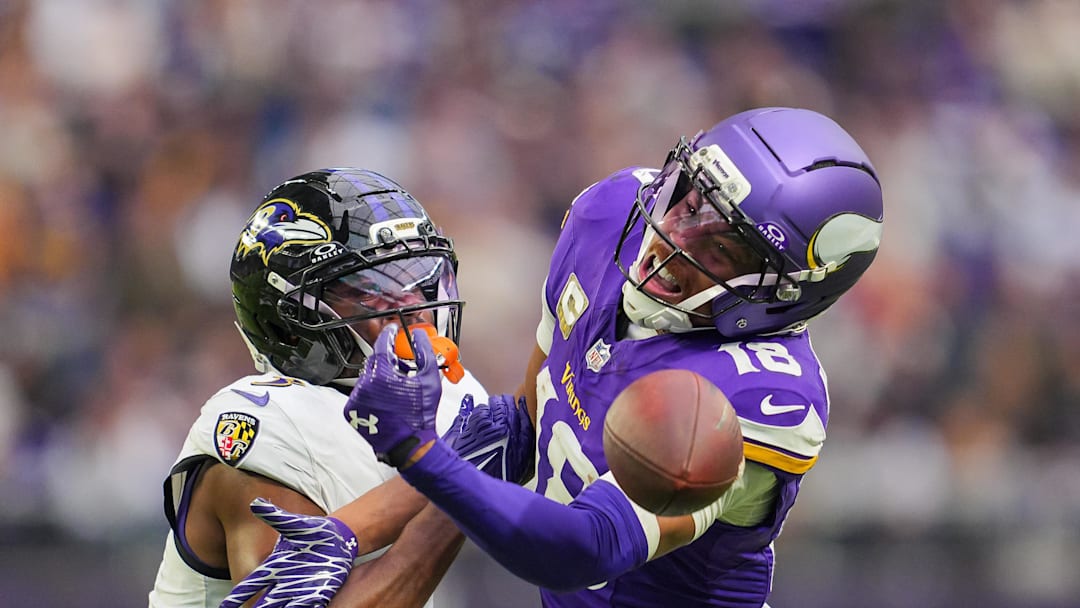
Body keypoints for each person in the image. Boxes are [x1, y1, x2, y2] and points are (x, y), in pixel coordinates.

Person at [232, 106, 885, 608]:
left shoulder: (763, 397)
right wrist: (351, 530)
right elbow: (525, 422)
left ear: (785, 291)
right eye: (690, 197)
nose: (675, 235)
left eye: (722, 247)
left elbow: (584, 548)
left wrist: (418, 449)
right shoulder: (612, 215)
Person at [147, 167, 505, 608]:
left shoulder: (451, 395)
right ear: (290, 326)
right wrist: (453, 495)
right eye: (373, 293)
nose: (417, 311)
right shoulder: (268, 425)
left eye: (420, 282)